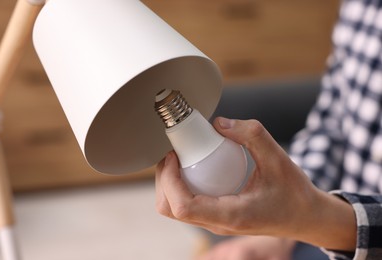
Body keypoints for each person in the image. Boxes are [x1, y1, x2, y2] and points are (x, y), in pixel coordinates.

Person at [155, 0, 382, 259]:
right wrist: (286, 217)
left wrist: (314, 218)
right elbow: (332, 122)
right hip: (334, 212)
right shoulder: (362, 6)